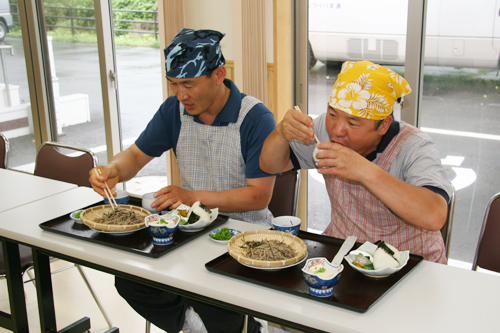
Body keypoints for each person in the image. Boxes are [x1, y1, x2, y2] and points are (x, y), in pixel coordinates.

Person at [89, 28, 274, 333]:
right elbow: (136, 156)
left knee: (212, 295)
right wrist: (113, 170)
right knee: (129, 279)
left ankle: (239, 325)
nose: (181, 95)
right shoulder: (174, 111)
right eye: (173, 84)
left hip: (246, 235)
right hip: (191, 232)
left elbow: (259, 197)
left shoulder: (254, 118)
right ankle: (194, 325)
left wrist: (191, 197)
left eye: (188, 84)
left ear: (218, 75)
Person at [260, 60, 452, 264]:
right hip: (344, 253)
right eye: (332, 114)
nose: (337, 130)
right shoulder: (323, 129)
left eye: (352, 123)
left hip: (410, 262)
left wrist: (364, 170)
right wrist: (280, 133)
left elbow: (434, 215)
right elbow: (269, 165)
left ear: (384, 125)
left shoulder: (415, 146)